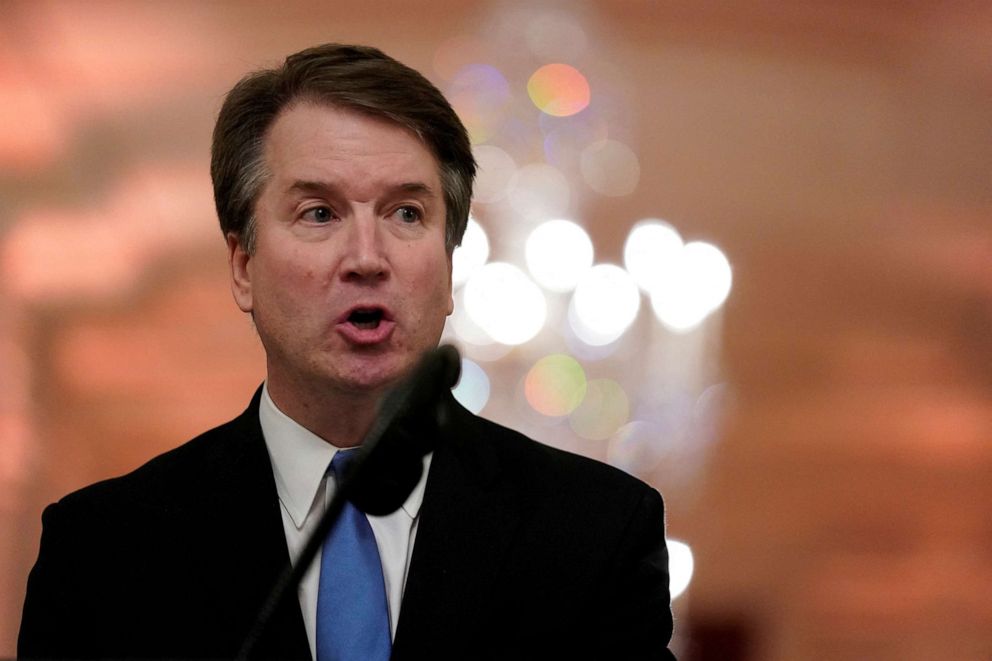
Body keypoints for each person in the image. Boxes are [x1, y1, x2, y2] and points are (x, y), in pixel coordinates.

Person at [19, 43, 676, 660]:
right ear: (243, 266)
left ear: (449, 271)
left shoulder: (596, 534)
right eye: (319, 213)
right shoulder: (105, 551)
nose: (367, 258)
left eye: (407, 214)